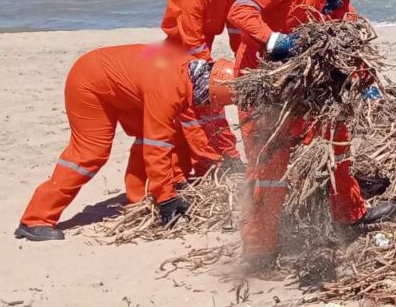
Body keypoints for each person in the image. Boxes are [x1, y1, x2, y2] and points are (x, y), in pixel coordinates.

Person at [227, 0, 396, 266]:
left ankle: (350, 214)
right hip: (263, 86)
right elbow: (240, 10)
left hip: (305, 90)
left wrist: (365, 80)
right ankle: (260, 251)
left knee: (337, 142)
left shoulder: (338, 0)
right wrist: (273, 40)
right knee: (268, 169)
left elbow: (346, 45)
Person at [15, 44, 236, 241]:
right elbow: (157, 147)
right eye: (208, 100)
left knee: (165, 133)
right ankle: (35, 219)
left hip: (122, 85)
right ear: (205, 90)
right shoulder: (166, 91)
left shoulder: (193, 70)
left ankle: (137, 199)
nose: (205, 105)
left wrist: (178, 180)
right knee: (90, 153)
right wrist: (167, 199)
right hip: (90, 83)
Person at [152, 0, 255, 183]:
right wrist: (209, 74)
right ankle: (210, 167)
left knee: (212, 110)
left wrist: (245, 66)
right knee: (195, 114)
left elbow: (237, 34)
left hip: (200, 55)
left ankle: (227, 159)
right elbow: (192, 42)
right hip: (176, 58)